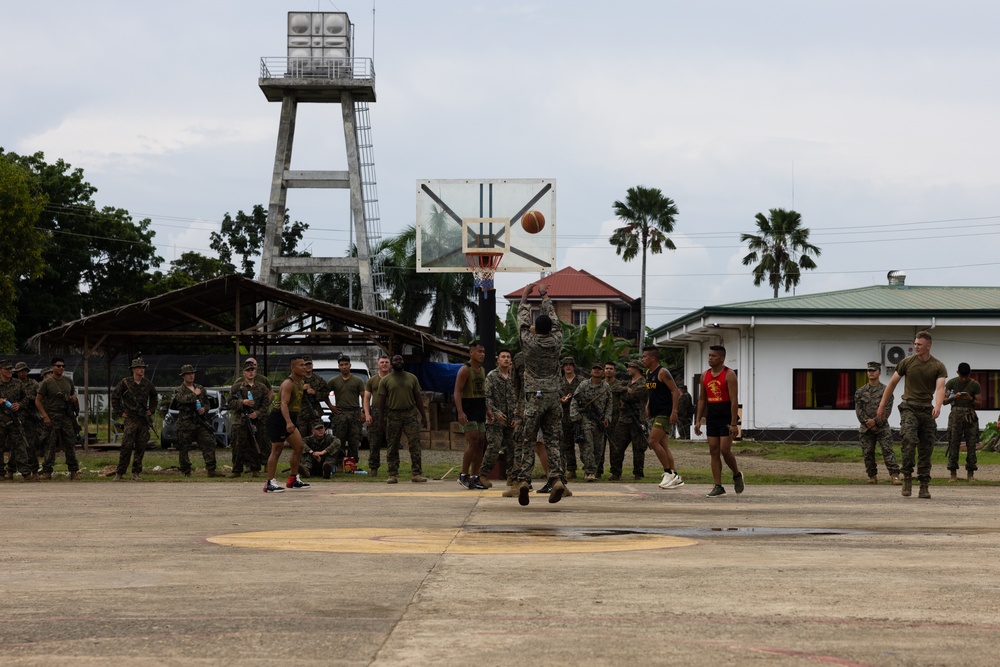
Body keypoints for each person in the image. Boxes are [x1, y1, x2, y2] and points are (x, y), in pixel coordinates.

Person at [507, 282, 568, 505]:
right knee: (552, 440)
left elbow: (521, 321)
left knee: (527, 438)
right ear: (550, 328)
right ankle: (557, 478)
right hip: (553, 395)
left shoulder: (528, 342)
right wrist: (545, 296)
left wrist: (525, 296)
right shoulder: (557, 339)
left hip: (533, 396)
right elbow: (555, 319)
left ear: (535, 328)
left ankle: (523, 479)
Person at [877, 331, 947, 499]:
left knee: (926, 447)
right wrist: (882, 406)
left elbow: (940, 388)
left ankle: (923, 484)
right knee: (909, 440)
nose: (916, 346)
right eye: (915, 344)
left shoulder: (938, 366)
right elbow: (892, 383)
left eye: (919, 344)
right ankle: (907, 478)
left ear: (928, 346)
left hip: (926, 409)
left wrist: (937, 406)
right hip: (909, 407)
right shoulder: (906, 362)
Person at [694, 345, 745, 497]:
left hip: (726, 416)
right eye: (709, 355)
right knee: (713, 450)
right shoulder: (705, 375)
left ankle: (736, 474)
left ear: (721, 358)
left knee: (725, 449)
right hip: (712, 416)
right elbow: (702, 398)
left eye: (713, 356)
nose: (710, 358)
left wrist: (734, 423)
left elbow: (734, 400)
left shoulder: (729, 375)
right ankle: (718, 485)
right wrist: (698, 420)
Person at [376, 354, 428, 484]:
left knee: (414, 444)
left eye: (401, 360)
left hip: (410, 414)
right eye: (396, 360)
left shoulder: (412, 378)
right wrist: (381, 420)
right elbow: (381, 402)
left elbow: (418, 398)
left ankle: (417, 473)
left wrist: (424, 415)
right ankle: (392, 474)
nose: (399, 362)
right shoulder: (385, 381)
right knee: (392, 445)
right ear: (392, 363)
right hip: (393, 415)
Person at [263, 356, 312, 492]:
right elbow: (283, 404)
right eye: (301, 365)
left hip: (291, 417)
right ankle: (269, 482)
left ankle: (293, 479)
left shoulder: (301, 382)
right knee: (277, 450)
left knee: (299, 446)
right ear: (293, 367)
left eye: (305, 365)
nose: (304, 367)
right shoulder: (288, 383)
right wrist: (288, 422)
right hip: (279, 418)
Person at [641, 346, 683, 489]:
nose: (642, 359)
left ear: (652, 358)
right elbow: (652, 392)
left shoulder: (663, 372)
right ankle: (675, 475)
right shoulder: (648, 373)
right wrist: (648, 405)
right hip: (655, 411)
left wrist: (674, 411)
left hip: (665, 412)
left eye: (644, 357)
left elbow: (675, 391)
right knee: (663, 445)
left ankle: (668, 473)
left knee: (652, 441)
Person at [110, 358, 158, 481]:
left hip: (143, 419)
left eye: (143, 368)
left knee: (141, 446)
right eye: (139, 368)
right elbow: (115, 397)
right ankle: (120, 472)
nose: (141, 370)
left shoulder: (147, 384)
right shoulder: (125, 383)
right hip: (131, 418)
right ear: (133, 370)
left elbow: (154, 397)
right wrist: (120, 412)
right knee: (126, 446)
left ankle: (136, 473)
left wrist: (151, 410)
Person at [172, 365, 223, 478]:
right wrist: (195, 394)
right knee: (184, 447)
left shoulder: (200, 388)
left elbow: (207, 404)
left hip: (200, 422)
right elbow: (182, 399)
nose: (191, 375)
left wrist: (204, 409)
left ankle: (211, 470)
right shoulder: (179, 390)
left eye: (192, 373)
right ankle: (186, 471)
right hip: (185, 423)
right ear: (183, 376)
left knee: (208, 442)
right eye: (188, 374)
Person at [854, 361, 900, 485]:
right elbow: (859, 411)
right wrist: (867, 422)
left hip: (882, 426)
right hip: (866, 427)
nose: (871, 373)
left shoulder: (886, 390)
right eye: (869, 370)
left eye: (873, 370)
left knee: (887, 450)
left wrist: (875, 422)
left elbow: (887, 410)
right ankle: (872, 476)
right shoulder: (860, 391)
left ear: (879, 372)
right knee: (868, 452)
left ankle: (894, 475)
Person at [36, 357, 80, 481]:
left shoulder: (68, 381)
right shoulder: (47, 383)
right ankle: (47, 471)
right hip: (52, 416)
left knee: (70, 443)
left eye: (63, 366)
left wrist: (74, 401)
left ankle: (73, 471)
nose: (61, 368)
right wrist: (45, 416)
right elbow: (38, 400)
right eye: (58, 366)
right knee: (50, 444)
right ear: (52, 367)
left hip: (66, 416)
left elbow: (73, 396)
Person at [480, 349, 518, 488]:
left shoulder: (514, 377)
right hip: (495, 419)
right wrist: (495, 413)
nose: (506, 359)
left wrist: (517, 415)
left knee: (513, 448)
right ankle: (483, 475)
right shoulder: (492, 376)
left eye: (508, 357)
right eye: (503, 357)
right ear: (498, 360)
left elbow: (520, 397)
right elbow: (487, 398)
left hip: (511, 419)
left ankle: (512, 476)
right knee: (494, 446)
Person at [227, 360, 271, 478]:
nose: (251, 373)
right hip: (240, 420)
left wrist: (258, 413)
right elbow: (230, 402)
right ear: (244, 373)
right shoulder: (237, 387)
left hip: (256, 421)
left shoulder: (262, 387)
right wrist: (242, 402)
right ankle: (237, 470)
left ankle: (255, 469)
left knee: (256, 444)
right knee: (238, 445)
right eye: (248, 370)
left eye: (253, 370)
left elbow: (265, 404)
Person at [455, 341, 488, 490]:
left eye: (483, 352)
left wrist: (488, 410)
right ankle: (463, 475)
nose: (482, 354)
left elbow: (483, 393)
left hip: (480, 407)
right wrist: (460, 411)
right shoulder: (465, 369)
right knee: (473, 441)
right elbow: (457, 391)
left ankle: (475, 477)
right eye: (479, 351)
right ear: (471, 353)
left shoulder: (481, 370)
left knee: (481, 442)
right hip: (468, 408)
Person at [571, 362, 613, 482]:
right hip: (585, 419)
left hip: (599, 420)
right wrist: (575, 416)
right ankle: (589, 471)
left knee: (598, 447)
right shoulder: (583, 385)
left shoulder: (606, 387)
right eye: (594, 369)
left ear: (602, 372)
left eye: (599, 369)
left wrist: (607, 417)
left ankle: (593, 469)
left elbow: (609, 403)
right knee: (587, 445)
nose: (597, 371)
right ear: (591, 371)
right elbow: (574, 401)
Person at [609, 360, 649, 480]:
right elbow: (614, 388)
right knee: (617, 446)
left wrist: (623, 393)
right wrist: (626, 389)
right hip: (624, 419)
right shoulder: (627, 383)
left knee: (638, 448)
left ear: (637, 369)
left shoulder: (643, 383)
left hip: (637, 419)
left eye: (630, 367)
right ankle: (616, 473)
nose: (628, 369)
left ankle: (638, 473)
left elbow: (632, 397)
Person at [944, 362, 981, 482]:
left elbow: (979, 403)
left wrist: (970, 398)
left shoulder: (975, 384)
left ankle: (970, 473)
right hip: (955, 415)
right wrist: (954, 397)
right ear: (957, 373)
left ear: (970, 374)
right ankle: (953, 473)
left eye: (966, 376)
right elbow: (943, 401)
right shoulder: (951, 383)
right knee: (953, 443)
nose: (964, 378)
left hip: (969, 416)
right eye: (962, 376)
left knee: (971, 444)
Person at [1, 359, 37, 482]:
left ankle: (26, 473)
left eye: (11, 369)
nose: (10, 371)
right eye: (7, 369)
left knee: (19, 446)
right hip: (0, 420)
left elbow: (26, 397)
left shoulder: (17, 383)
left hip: (14, 419)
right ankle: (1, 474)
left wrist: (19, 405)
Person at [326, 355, 366, 465]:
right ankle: (338, 463)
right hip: (340, 413)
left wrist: (363, 412)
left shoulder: (358, 380)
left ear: (350, 365)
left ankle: (352, 464)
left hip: (354, 413)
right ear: (339, 366)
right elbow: (324, 394)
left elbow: (364, 396)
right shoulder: (333, 381)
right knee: (339, 441)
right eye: (341, 365)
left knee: (354, 440)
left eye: (346, 364)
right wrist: (331, 407)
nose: (344, 367)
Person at [363, 354, 391, 477]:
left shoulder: (394, 379)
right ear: (377, 364)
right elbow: (366, 397)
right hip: (375, 413)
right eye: (382, 362)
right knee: (374, 442)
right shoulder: (372, 380)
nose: (384, 364)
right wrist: (367, 414)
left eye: (386, 362)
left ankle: (392, 469)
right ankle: (373, 469)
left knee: (392, 441)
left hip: (391, 412)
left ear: (389, 364)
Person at [13, 362, 42, 474]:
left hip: (30, 418)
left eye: (25, 370)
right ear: (17, 372)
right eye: (20, 371)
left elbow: (40, 396)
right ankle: (12, 469)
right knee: (15, 445)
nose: (23, 372)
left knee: (30, 444)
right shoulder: (13, 384)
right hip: (15, 418)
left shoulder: (33, 384)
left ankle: (34, 469)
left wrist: (29, 399)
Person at [557, 356, 582, 479]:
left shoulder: (581, 381)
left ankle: (590, 469)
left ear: (574, 366)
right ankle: (570, 469)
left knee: (583, 443)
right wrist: (560, 400)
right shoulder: (558, 382)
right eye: (565, 364)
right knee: (566, 445)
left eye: (570, 364)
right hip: (563, 416)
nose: (568, 366)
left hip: (578, 416)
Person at [297, 355, 332, 437]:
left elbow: (326, 394)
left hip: (315, 413)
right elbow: (290, 394)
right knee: (302, 438)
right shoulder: (297, 380)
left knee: (317, 436)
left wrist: (315, 393)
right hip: (301, 414)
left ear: (312, 365)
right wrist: (300, 389)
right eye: (305, 364)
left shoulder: (319, 380)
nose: (308, 366)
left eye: (309, 364)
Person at [600, 361, 622, 477]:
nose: (608, 370)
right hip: (600, 419)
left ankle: (616, 472)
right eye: (607, 368)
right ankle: (598, 470)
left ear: (615, 371)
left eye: (611, 369)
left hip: (615, 419)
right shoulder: (599, 384)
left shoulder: (619, 385)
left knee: (615, 447)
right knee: (599, 447)